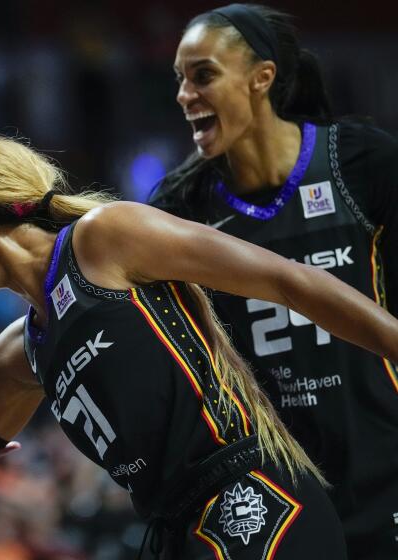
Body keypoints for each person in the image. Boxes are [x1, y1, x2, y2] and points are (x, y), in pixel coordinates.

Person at [0, 133, 398, 559]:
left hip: (253, 498)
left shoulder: (104, 240)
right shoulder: (20, 354)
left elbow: (288, 278)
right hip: (175, 527)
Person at [147, 4, 398, 557]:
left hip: (385, 465)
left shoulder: (361, 162)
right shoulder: (178, 208)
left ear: (262, 77)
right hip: (277, 489)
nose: (185, 94)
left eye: (203, 75)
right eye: (180, 80)